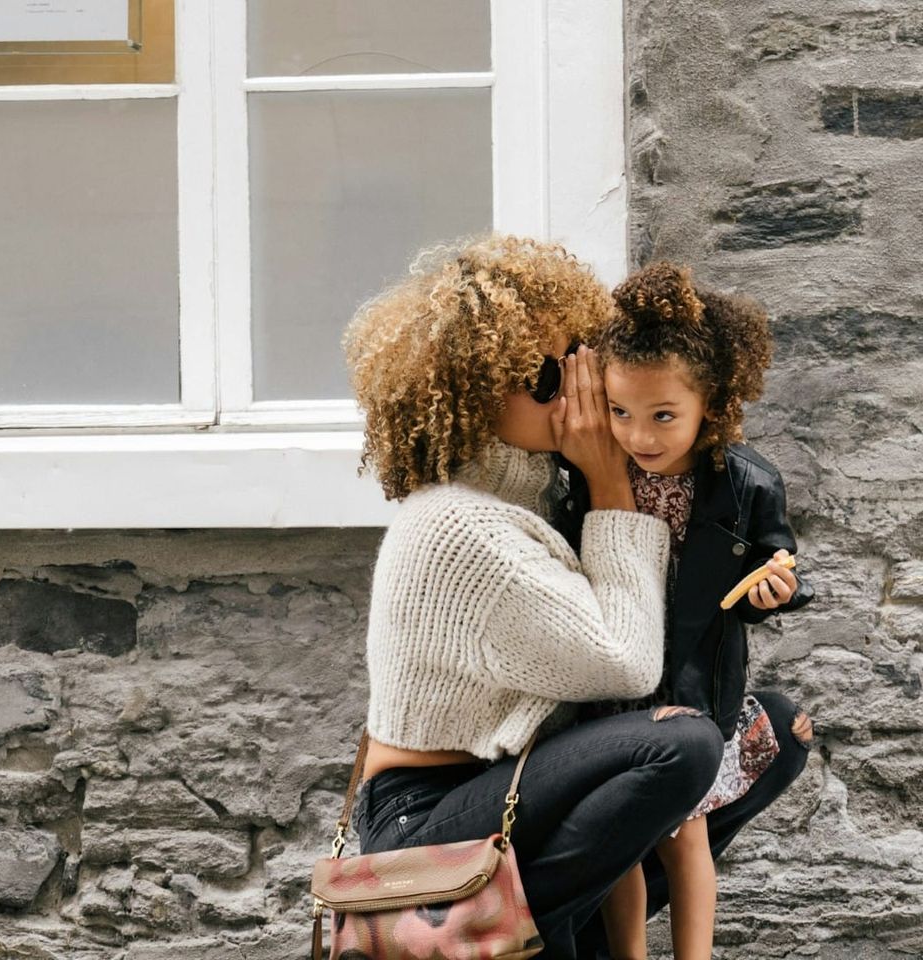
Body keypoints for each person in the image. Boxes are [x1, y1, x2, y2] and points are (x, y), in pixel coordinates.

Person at [342, 235, 726, 959]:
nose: (578, 388)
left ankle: (547, 935)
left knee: (767, 730)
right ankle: (480, 930)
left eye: (582, 358)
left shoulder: (536, 497)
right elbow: (624, 661)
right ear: (476, 389)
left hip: (508, 792)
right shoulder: (460, 526)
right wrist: (614, 486)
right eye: (546, 376)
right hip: (424, 818)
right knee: (681, 745)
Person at [559, 262, 815, 959]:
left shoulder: (745, 484)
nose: (640, 435)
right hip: (615, 678)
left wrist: (776, 589)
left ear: (713, 404)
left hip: (696, 681)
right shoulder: (592, 475)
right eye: (621, 412)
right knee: (625, 832)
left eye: (663, 415)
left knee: (685, 830)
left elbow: (778, 563)